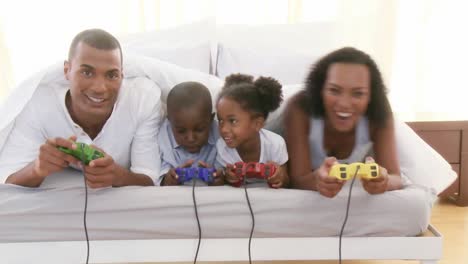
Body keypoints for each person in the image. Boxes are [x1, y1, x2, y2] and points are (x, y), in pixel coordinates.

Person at [0, 29, 162, 188]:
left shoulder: (143, 99)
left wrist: (117, 176)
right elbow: (7, 181)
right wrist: (37, 169)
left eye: (112, 75)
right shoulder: (38, 103)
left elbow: (150, 179)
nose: (100, 88)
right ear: (67, 71)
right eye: (87, 72)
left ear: (121, 76)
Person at [216, 74, 289, 188]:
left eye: (232, 121)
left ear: (257, 124)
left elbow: (287, 181)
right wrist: (229, 178)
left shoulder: (276, 144)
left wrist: (279, 176)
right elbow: (223, 183)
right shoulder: (222, 148)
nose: (224, 129)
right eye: (220, 120)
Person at [158, 81, 223, 186]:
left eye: (200, 129)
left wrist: (220, 179)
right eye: (181, 131)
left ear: (210, 120)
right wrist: (168, 180)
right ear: (170, 122)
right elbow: (159, 177)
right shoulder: (163, 136)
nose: (191, 138)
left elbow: (226, 173)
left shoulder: (220, 134)